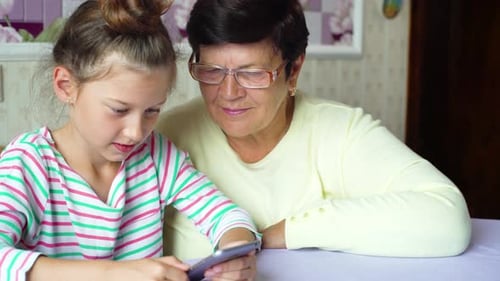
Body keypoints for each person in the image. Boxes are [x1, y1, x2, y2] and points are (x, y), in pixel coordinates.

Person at [156, 0, 472, 260]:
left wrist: (288, 233)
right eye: (211, 71)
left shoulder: (339, 132)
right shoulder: (163, 137)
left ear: (293, 71)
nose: (228, 93)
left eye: (251, 74)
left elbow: (447, 218)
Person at [0, 1, 260, 281]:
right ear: (66, 86)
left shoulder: (156, 157)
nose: (136, 133)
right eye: (119, 110)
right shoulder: (27, 164)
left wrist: (235, 250)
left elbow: (226, 216)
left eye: (152, 111)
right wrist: (114, 274)